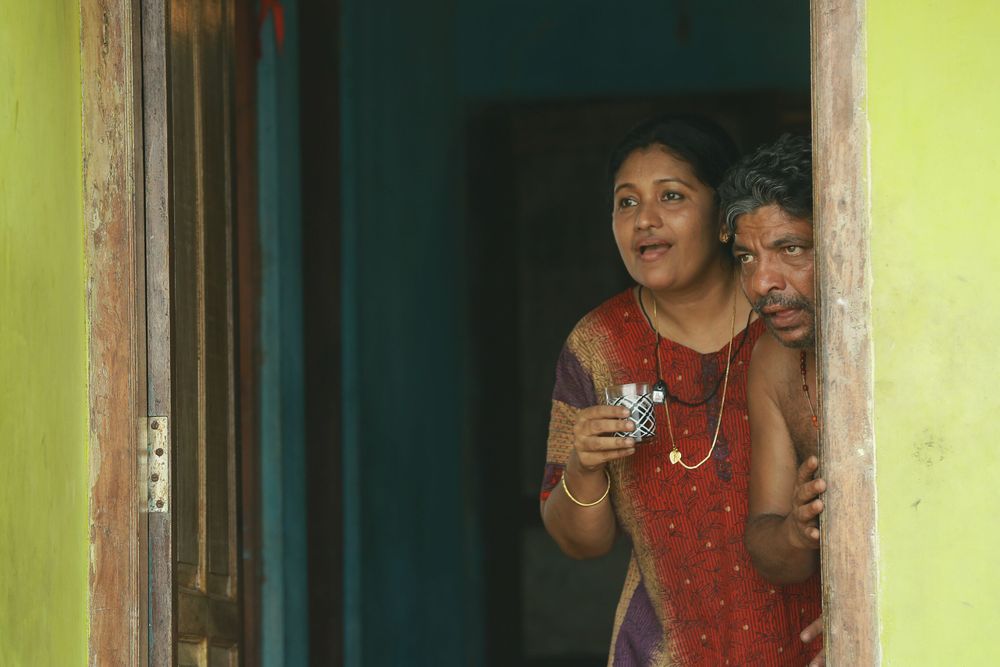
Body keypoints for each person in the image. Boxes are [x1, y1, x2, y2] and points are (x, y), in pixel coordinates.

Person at [540, 116, 821, 665]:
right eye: (626, 202)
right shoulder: (598, 344)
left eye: (671, 196)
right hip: (666, 650)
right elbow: (581, 543)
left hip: (814, 645)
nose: (645, 219)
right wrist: (583, 465)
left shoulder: (790, 319)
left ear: (724, 214)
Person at [720, 134, 825, 665]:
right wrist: (797, 531)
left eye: (791, 249)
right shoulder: (772, 360)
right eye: (746, 257)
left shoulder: (925, 348)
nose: (761, 282)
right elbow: (768, 544)